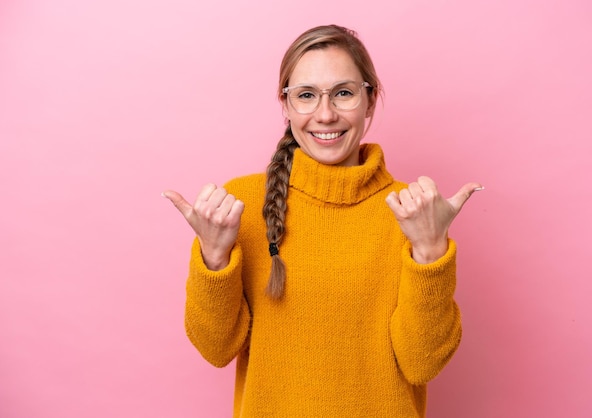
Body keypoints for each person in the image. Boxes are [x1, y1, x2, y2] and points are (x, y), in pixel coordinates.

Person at [163, 24, 483, 418]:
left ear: (371, 99)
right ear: (286, 105)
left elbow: (422, 363)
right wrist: (214, 257)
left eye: (344, 93)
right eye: (306, 96)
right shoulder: (242, 206)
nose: (326, 114)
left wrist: (431, 252)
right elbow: (215, 349)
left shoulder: (412, 211)